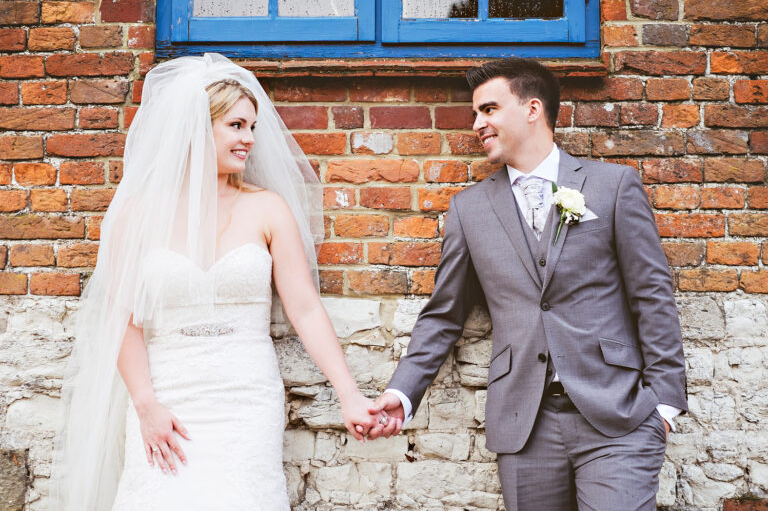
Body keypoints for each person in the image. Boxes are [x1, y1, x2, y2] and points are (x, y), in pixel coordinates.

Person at [51, 53, 383, 511]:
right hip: (165, 395)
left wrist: (348, 394)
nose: (249, 139)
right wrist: (146, 405)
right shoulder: (138, 215)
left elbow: (305, 308)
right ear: (195, 128)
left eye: (252, 127)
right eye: (236, 125)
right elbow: (121, 317)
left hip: (245, 395)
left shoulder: (269, 209)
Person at [368, 57, 688, 510]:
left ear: (533, 109)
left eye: (489, 109)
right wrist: (402, 393)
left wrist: (665, 406)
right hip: (525, 424)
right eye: (476, 113)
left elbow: (652, 294)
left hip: (618, 418)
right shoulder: (470, 209)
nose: (477, 123)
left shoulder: (612, 186)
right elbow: (444, 314)